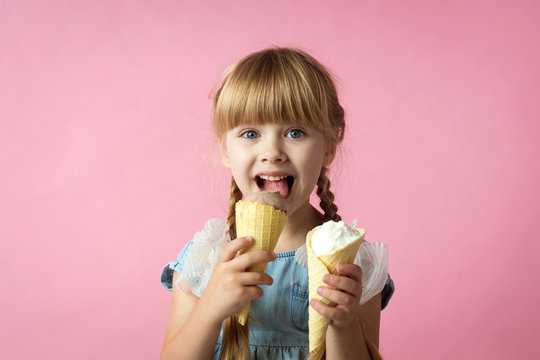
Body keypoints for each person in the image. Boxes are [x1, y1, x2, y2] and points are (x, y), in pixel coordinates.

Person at [159, 46, 395, 360]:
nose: (272, 151)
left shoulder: (352, 263)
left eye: (295, 132)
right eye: (250, 133)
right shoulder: (206, 258)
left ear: (329, 145)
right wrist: (210, 310)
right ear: (225, 150)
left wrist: (343, 323)